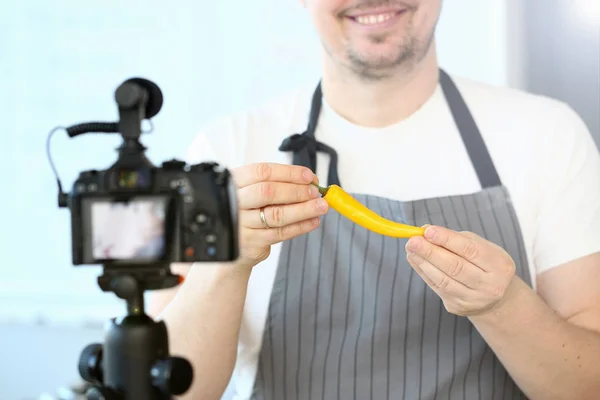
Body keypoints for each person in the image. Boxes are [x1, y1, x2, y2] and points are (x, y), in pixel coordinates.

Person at [149, 1, 600, 399]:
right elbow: (169, 392)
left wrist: (503, 306)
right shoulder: (226, 151)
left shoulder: (548, 136)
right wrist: (226, 266)